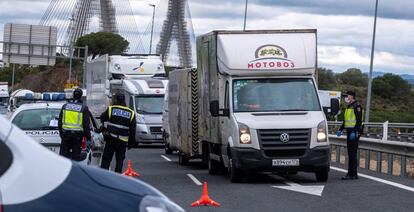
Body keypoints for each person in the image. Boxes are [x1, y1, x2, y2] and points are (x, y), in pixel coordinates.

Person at [100, 93, 136, 173]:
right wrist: (131, 143)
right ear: (124, 100)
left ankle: (103, 176)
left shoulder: (111, 109)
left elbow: (102, 118)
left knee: (106, 159)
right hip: (122, 141)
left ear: (116, 100)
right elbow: (133, 130)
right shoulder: (131, 113)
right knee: (119, 161)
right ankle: (117, 178)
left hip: (111, 139)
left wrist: (104, 128)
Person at [336, 91, 364, 180]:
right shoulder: (349, 106)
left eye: (347, 96)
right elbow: (346, 120)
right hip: (349, 131)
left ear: (351, 96)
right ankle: (352, 173)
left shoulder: (357, 106)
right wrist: (341, 129)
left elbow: (359, 120)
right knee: (351, 153)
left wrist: (355, 131)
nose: (346, 98)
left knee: (352, 153)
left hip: (354, 132)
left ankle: (352, 174)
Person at [58, 88, 91, 161]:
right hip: (77, 137)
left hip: (66, 136)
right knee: (75, 159)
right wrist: (88, 137)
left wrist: (61, 134)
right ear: (81, 96)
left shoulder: (65, 106)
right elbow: (86, 125)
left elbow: (60, 122)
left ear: (73, 95)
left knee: (63, 158)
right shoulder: (83, 108)